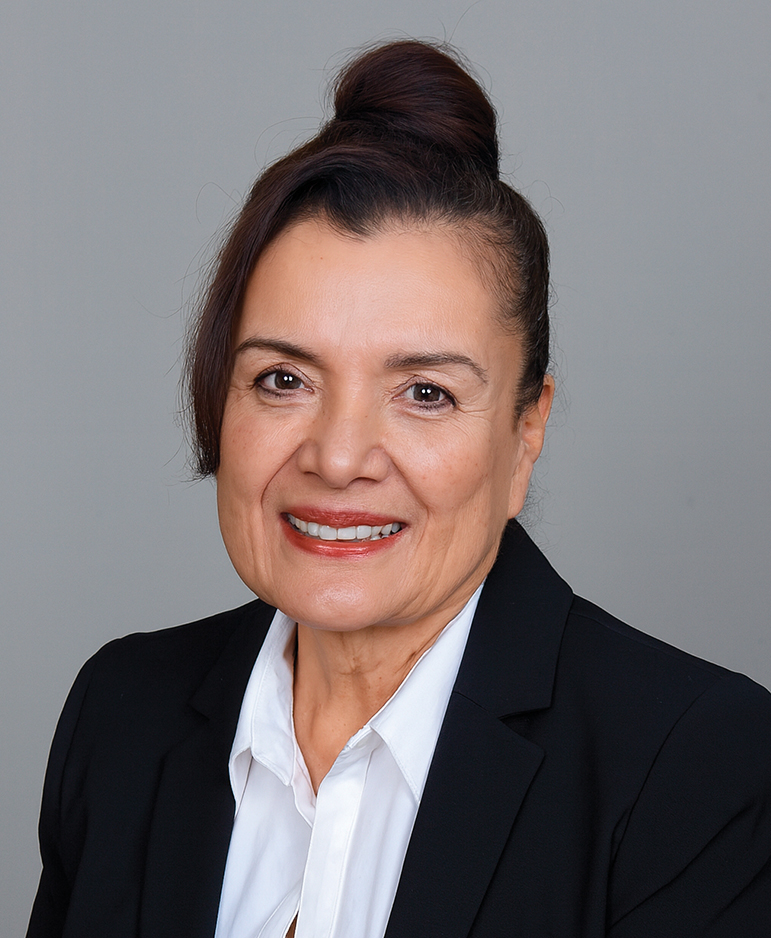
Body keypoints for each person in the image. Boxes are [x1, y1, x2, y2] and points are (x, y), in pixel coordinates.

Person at [27, 40, 771, 938]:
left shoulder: (692, 765)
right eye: (283, 380)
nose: (339, 458)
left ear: (525, 431)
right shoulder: (120, 715)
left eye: (425, 393)